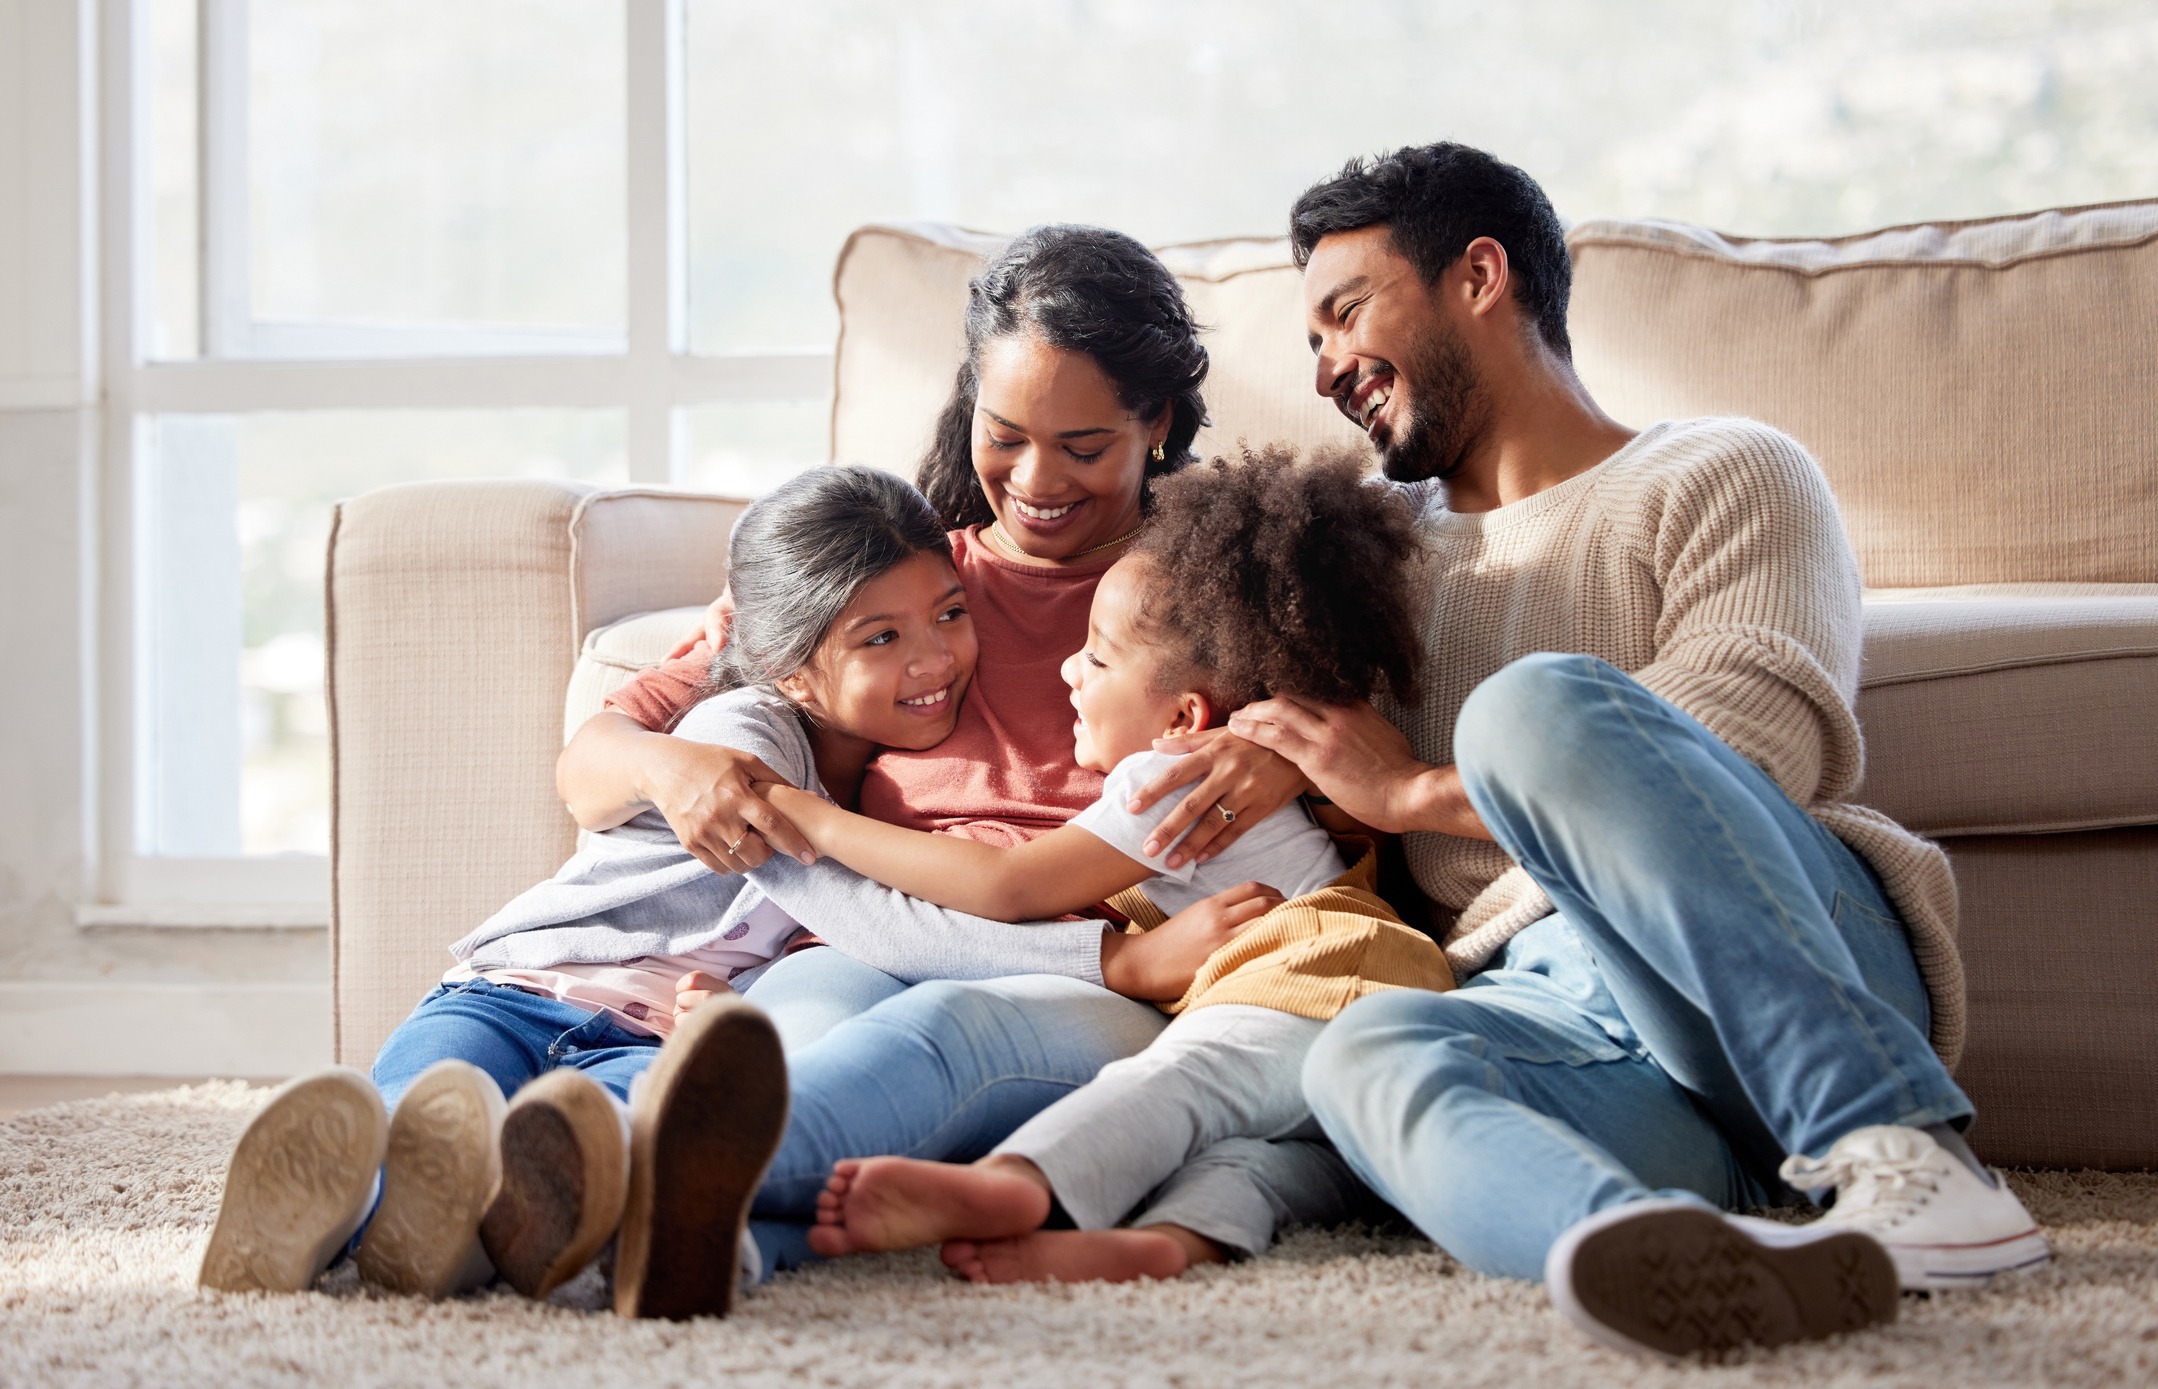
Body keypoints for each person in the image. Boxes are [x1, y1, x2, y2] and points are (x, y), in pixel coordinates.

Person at [1125, 142, 2049, 1358]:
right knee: (1364, 1055)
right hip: (1556, 1016)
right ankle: (1664, 1259)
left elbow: (1746, 744)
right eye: (1306, 342)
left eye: (1344, 313)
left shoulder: (1724, 470)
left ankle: (1907, 1155)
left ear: (1479, 275)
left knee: (1534, 708)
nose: (1325, 368)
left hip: (1774, 960)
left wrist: (1411, 791)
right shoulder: (1361, 549)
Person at [555, 225, 1360, 1299]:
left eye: (1082, 446)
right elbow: (605, 748)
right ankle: (706, 1244)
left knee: (941, 1038)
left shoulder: (1209, 587)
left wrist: (1284, 757)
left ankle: (593, 1182)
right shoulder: (897, 569)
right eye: (1006, 433)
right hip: (877, 926)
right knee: (791, 1043)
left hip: (1080, 963)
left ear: (1155, 423)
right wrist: (671, 772)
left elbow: (1368, 758)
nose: (1036, 481)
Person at [201, 466, 1012, 1313]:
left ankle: (430, 1235)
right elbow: (841, 902)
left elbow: (825, 958)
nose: (933, 658)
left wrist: (740, 1009)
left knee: (583, 1164)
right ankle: (338, 1202)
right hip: (511, 993)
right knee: (424, 1118)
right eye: (881, 637)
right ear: (789, 667)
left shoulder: (919, 792)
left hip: (652, 1043)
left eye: (951, 613)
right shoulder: (745, 737)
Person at [760, 450, 1448, 1284]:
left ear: (1185, 714)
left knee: (1184, 1081)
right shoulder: (1217, 763)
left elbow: (1004, 885)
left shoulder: (1167, 776)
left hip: (1328, 974)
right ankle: (1165, 1244)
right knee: (1258, 1152)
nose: (1066, 670)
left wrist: (818, 820)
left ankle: (1016, 1184)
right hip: (1351, 999)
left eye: (1097, 656)